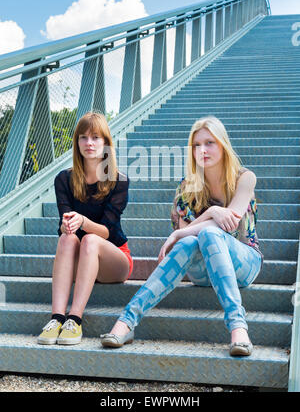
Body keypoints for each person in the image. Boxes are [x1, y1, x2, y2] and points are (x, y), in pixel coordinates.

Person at [100, 115, 263, 356]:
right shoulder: (187, 187)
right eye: (196, 145)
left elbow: (230, 223)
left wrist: (194, 225)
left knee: (205, 233)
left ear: (223, 144)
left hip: (244, 262)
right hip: (203, 270)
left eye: (209, 143)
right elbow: (188, 238)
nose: (202, 150)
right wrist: (209, 216)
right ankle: (127, 321)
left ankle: (238, 326)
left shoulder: (244, 178)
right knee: (191, 240)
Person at [38, 112, 132, 345]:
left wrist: (83, 222)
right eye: (83, 137)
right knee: (67, 239)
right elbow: (65, 224)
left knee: (90, 239)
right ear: (77, 142)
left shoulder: (118, 180)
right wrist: (66, 225)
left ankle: (75, 320)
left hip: (114, 259)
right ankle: (57, 317)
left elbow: (109, 231)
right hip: (81, 260)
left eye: (95, 138)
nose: (89, 143)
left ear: (106, 143)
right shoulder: (63, 180)